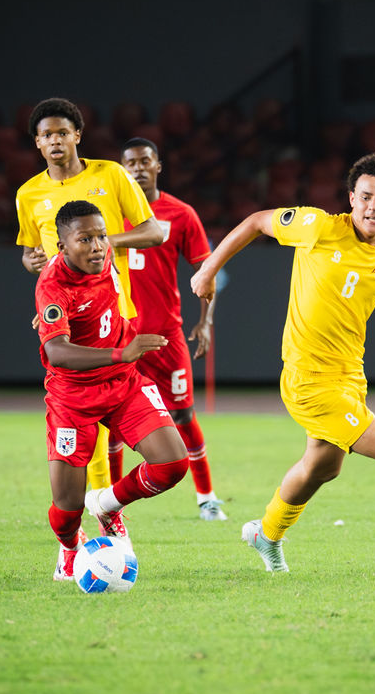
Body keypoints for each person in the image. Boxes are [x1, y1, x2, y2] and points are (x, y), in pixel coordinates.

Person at [190, 152, 375, 573]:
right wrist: (208, 269)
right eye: (365, 196)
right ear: (351, 197)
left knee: (321, 467)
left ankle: (267, 533)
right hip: (307, 379)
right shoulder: (318, 227)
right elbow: (257, 221)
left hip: (350, 375)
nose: (373, 207)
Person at [16, 97, 164, 527]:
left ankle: (106, 510)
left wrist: (98, 242)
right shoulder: (29, 193)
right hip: (68, 315)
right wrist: (39, 268)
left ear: (77, 135)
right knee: (86, 430)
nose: (55, 141)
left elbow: (153, 230)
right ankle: (104, 519)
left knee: (117, 421)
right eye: (46, 135)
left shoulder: (110, 175)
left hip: (115, 313)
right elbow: (30, 253)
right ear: (38, 144)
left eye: (63, 132)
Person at [36, 200, 188, 581]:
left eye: (101, 236)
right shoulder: (53, 285)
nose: (98, 246)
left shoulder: (105, 260)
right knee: (67, 506)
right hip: (73, 398)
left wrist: (124, 352)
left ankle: (108, 505)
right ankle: (70, 547)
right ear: (62, 246)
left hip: (123, 383)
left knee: (172, 464)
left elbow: (153, 237)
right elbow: (56, 351)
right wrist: (123, 350)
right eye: (84, 239)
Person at [118, 137, 226, 521]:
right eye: (131, 163)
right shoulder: (109, 215)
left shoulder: (180, 214)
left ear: (158, 166)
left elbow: (207, 271)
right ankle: (115, 507)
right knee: (114, 424)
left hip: (166, 337)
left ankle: (207, 498)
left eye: (146, 161)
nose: (138, 168)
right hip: (121, 339)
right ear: (122, 169)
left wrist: (206, 322)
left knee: (182, 417)